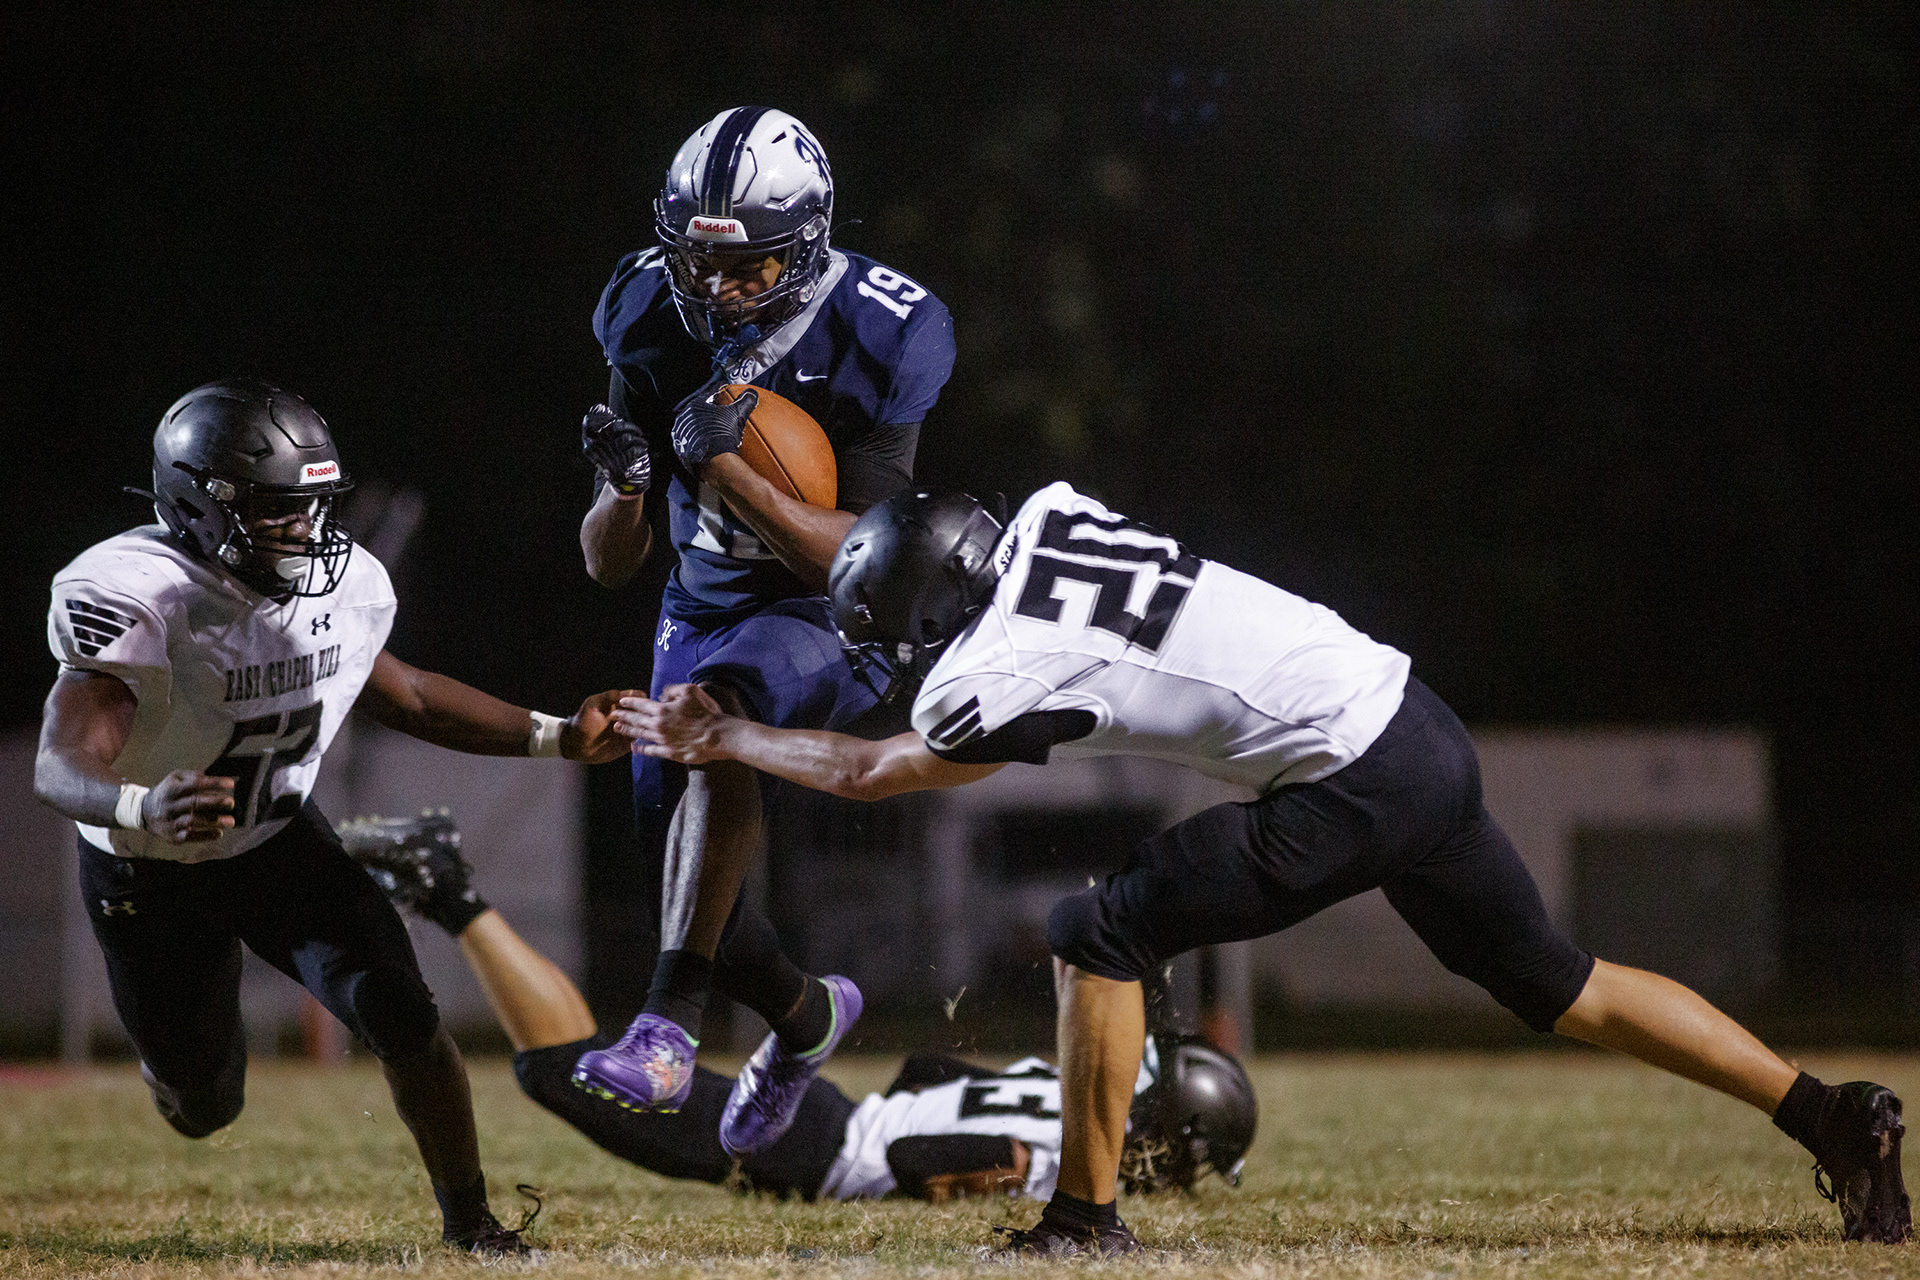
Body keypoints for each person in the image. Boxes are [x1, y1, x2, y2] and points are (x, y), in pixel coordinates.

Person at [618, 482, 1912, 1254]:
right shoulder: (1054, 515)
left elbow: (870, 770)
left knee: (1092, 931)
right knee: (1562, 985)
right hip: (1408, 717)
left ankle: (1083, 1221)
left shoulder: (985, 675)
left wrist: (723, 730)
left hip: (1346, 775)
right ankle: (1829, 1114)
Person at [33, 379, 637, 1255]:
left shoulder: (344, 583)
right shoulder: (141, 592)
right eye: (279, 511)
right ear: (199, 507)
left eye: (314, 507)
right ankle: (176, 1071)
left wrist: (555, 737)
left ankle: (471, 1224)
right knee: (205, 1106)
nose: (306, 532)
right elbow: (61, 762)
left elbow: (411, 696)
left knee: (403, 1011)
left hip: (277, 842)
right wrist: (141, 802)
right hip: (149, 868)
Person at [569, 104, 955, 1159]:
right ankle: (806, 1018)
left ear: (812, 240)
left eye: (751, 268)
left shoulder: (886, 326)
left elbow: (867, 555)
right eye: (701, 265)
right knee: (699, 895)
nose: (720, 290)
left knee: (717, 715)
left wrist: (732, 470)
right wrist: (628, 488)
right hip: (695, 605)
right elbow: (610, 562)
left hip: (835, 613)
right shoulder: (647, 307)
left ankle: (665, 1026)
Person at [338, 811, 1255, 1202]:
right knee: (555, 1070)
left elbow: (926, 1076)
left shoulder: (1057, 1086)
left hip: (828, 1119)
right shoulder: (1072, 1153)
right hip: (812, 1147)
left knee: (564, 1065)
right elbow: (915, 1158)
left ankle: (448, 890)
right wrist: (1008, 1173)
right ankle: (448, 887)